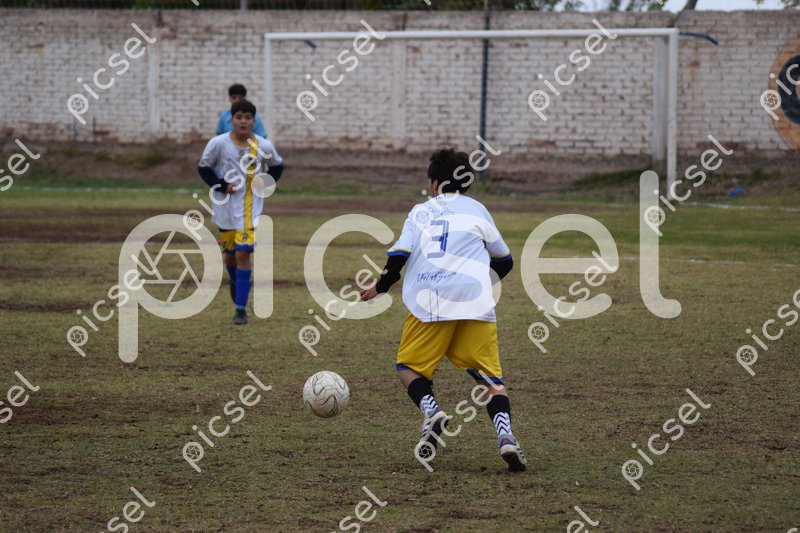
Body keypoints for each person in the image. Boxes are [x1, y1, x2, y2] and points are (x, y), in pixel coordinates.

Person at [359, 148, 525, 472]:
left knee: (408, 367)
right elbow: (505, 261)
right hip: (474, 300)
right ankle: (506, 437)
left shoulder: (420, 211)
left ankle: (432, 411)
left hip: (430, 300)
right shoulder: (478, 210)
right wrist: (479, 282)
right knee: (491, 381)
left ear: (434, 183)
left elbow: (398, 256)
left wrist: (380, 287)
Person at [199, 99, 284, 324]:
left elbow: (277, 166)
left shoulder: (263, 146)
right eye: (239, 117)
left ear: (254, 121)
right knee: (231, 256)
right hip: (224, 210)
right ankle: (237, 281)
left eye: (248, 117)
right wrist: (221, 185)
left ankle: (240, 309)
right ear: (232, 120)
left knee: (243, 254)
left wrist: (266, 180)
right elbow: (204, 167)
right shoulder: (218, 143)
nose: (243, 121)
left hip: (249, 210)